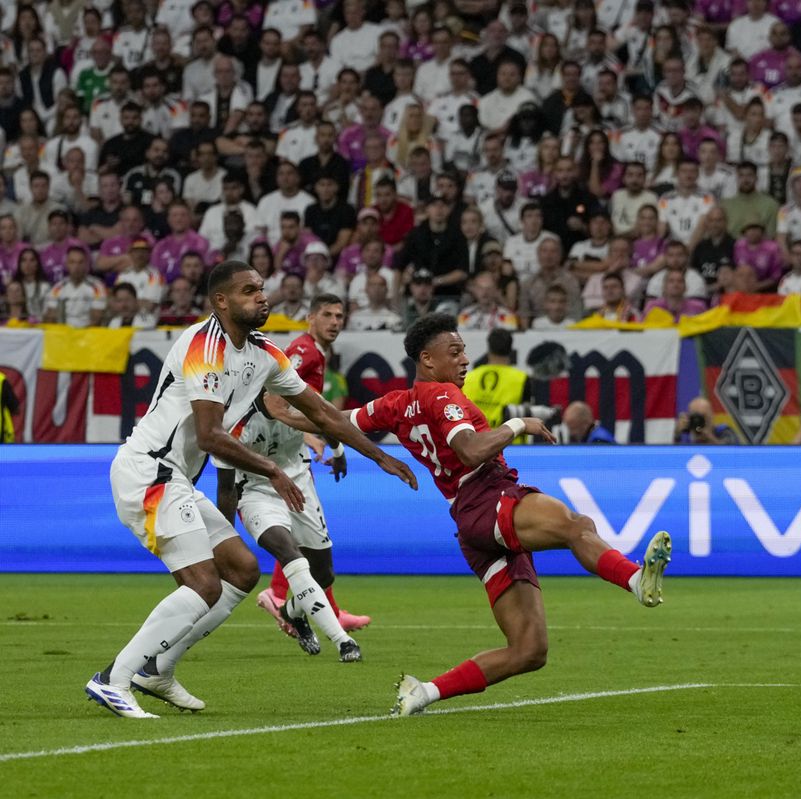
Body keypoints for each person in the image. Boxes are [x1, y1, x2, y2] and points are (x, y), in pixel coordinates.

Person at [87, 260, 416, 718]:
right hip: (149, 470)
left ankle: (157, 671)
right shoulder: (205, 346)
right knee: (203, 583)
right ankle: (115, 679)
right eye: (248, 291)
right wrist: (274, 471)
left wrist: (380, 455)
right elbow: (210, 435)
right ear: (221, 301)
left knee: (241, 570)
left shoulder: (266, 353)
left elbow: (323, 413)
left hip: (175, 477)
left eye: (261, 289)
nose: (262, 297)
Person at [341, 314, 672, 716]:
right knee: (576, 526)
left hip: (471, 526)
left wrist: (281, 411)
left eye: (464, 351)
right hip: (486, 497)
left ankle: (423, 692)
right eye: (456, 352)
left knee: (529, 651)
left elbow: (338, 420)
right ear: (427, 360)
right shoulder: (442, 396)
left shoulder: (394, 404)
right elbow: (471, 450)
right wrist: (519, 424)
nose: (465, 360)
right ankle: (636, 580)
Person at [252, 295, 372, 639]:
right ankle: (284, 598)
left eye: (340, 316)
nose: (335, 321)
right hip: (279, 456)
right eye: (327, 315)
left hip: (287, 449)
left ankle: (294, 599)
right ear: (310, 317)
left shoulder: (316, 351)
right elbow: (273, 400)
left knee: (304, 531)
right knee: (309, 533)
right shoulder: (303, 350)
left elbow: (309, 405)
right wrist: (313, 435)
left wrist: (329, 442)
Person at [462, 329, 529, 430]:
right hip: (510, 443)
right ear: (511, 349)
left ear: (489, 348)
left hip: (475, 441)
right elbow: (527, 415)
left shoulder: (468, 377)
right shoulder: (522, 379)